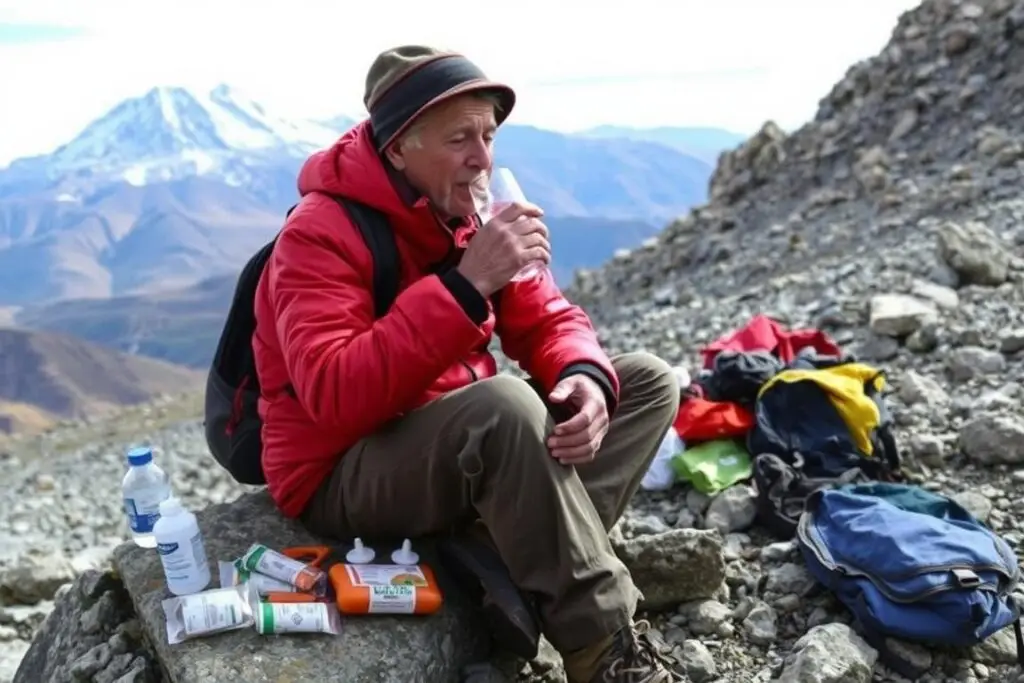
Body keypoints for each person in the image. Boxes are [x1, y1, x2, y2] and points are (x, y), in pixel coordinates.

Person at [251, 44, 685, 683]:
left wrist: (582, 380)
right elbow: (333, 394)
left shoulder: (467, 209)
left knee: (645, 381)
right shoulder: (319, 235)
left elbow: (548, 318)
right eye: (460, 139)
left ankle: (494, 556)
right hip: (340, 468)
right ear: (399, 147)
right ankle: (604, 651)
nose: (483, 158)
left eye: (488, 135)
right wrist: (464, 286)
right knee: (504, 406)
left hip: (456, 446)